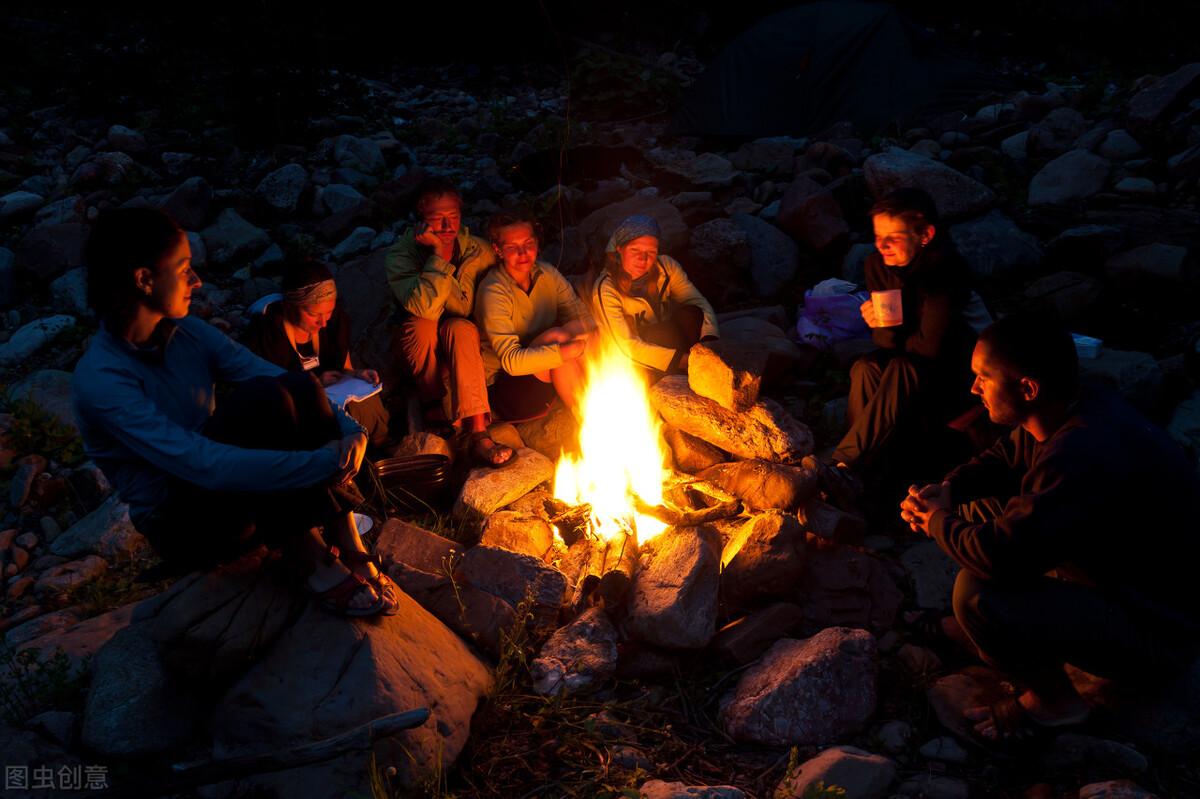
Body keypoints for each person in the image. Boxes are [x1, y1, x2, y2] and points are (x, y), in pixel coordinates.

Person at [72, 208, 399, 617]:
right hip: (184, 521)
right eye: (184, 269)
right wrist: (321, 463)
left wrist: (348, 427)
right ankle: (311, 559)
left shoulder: (186, 332)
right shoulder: (103, 379)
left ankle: (348, 543)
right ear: (144, 280)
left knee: (289, 386)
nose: (197, 281)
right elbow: (203, 464)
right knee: (266, 403)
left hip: (229, 490)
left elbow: (277, 376)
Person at [900, 312, 1200, 741]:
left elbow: (997, 558)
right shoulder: (1071, 405)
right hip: (1121, 573)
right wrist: (949, 491)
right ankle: (1002, 639)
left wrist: (935, 522)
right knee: (985, 508)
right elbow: (1006, 458)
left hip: (1159, 631)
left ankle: (1055, 702)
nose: (973, 388)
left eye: (983, 378)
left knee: (977, 594)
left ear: (1027, 388)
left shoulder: (1079, 452)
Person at [832, 188, 978, 475]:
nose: (882, 245)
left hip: (961, 372)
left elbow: (930, 349)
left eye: (893, 238)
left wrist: (894, 327)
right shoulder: (878, 264)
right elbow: (886, 343)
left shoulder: (944, 272)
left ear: (924, 236)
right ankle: (863, 468)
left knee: (902, 368)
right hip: (912, 365)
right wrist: (880, 324)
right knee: (865, 367)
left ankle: (843, 464)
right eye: (877, 237)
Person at [385, 177, 512, 466]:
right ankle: (432, 405)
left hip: (463, 344)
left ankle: (479, 432)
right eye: (437, 218)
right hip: (420, 346)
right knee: (422, 322)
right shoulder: (400, 255)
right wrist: (439, 255)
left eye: (452, 216)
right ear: (421, 218)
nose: (446, 226)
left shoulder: (478, 251)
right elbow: (425, 307)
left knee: (461, 327)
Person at [242, 256, 390, 451]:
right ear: (289, 307)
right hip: (293, 410)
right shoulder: (267, 335)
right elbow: (265, 395)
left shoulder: (335, 322)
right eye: (313, 314)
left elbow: (345, 366)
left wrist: (356, 374)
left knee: (366, 402)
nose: (323, 322)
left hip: (335, 396)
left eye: (327, 312)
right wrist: (315, 384)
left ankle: (377, 455)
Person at [475, 211, 589, 421]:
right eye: (512, 247)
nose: (523, 252)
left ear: (536, 243)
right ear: (498, 250)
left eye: (528, 243)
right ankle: (586, 417)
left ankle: (601, 397)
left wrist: (592, 339)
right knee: (559, 337)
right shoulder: (494, 290)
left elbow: (578, 314)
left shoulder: (547, 274)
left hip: (546, 377)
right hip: (508, 389)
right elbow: (511, 361)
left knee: (581, 328)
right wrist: (571, 350)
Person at [589, 214, 719, 375]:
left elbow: (697, 301)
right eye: (634, 249)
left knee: (692, 313)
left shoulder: (666, 266)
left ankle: (699, 371)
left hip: (673, 342)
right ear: (619, 249)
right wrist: (686, 361)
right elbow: (625, 345)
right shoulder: (606, 289)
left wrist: (709, 343)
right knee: (658, 333)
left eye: (651, 251)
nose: (642, 259)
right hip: (635, 363)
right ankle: (681, 375)